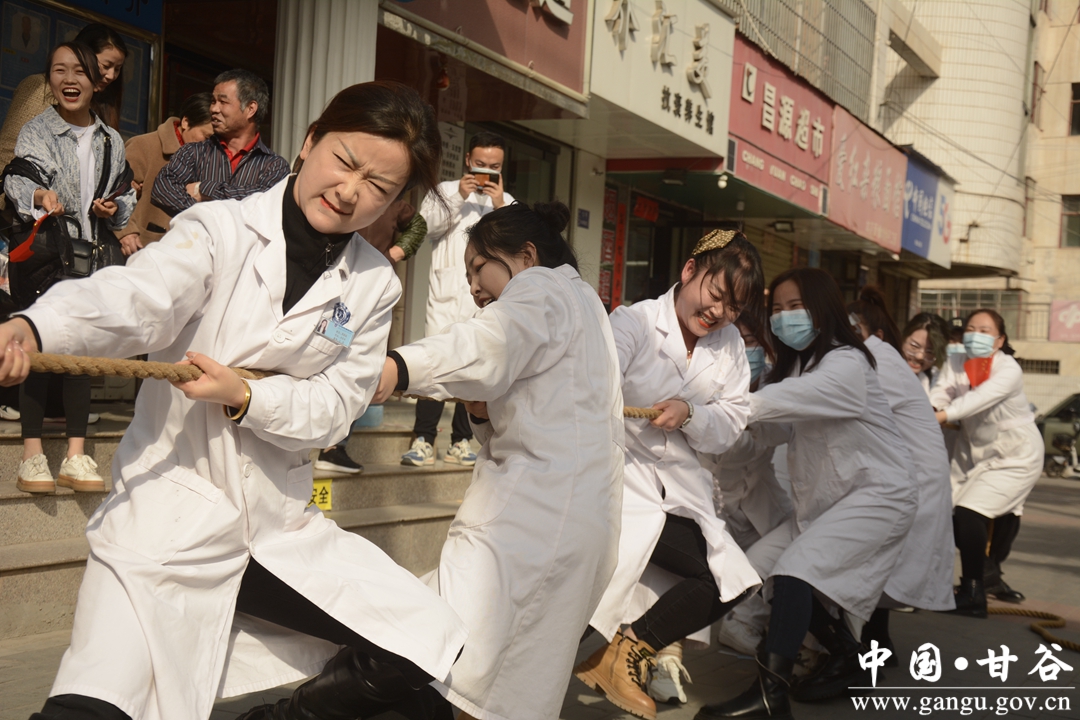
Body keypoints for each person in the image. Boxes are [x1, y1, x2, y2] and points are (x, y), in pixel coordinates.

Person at [0, 81, 469, 720]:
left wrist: (247, 395)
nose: (351, 190)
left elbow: (336, 407)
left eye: (379, 186)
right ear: (310, 142)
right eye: (345, 161)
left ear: (397, 201)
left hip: (275, 529)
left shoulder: (371, 284)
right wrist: (37, 327)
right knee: (97, 705)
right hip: (168, 517)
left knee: (422, 646)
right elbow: (137, 298)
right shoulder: (221, 230)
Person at [365, 201, 623, 720]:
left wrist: (398, 366)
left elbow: (485, 343)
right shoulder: (585, 303)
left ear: (525, 256)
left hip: (530, 523)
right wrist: (482, 414)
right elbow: (538, 411)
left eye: (477, 267)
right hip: (576, 523)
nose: (472, 286)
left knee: (433, 649)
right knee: (504, 687)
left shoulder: (541, 286)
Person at [697, 268, 917, 720]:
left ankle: (769, 696)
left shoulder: (847, 363)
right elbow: (771, 431)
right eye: (777, 309)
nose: (784, 317)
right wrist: (705, 424)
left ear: (822, 307)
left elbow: (794, 398)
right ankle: (845, 651)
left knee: (795, 569)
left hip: (876, 497)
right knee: (762, 571)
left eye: (795, 306)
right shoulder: (797, 367)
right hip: (827, 505)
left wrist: (725, 407)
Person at [576, 230, 764, 720]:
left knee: (729, 578)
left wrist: (690, 413)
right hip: (618, 479)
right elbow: (591, 387)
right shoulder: (634, 321)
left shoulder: (729, 346)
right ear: (689, 270)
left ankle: (627, 649)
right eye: (715, 294)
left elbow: (732, 421)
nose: (718, 312)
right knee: (581, 605)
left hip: (677, 488)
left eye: (733, 307)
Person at [5, 41, 135, 495]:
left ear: (95, 81)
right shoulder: (37, 129)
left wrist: (114, 207)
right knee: (37, 350)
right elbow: (18, 177)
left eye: (78, 70)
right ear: (50, 80)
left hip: (88, 258)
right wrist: (40, 196)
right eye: (58, 71)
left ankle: (76, 455)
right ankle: (32, 455)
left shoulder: (110, 139)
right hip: (46, 258)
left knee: (80, 353)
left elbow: (125, 195)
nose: (68, 79)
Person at [847, 289, 955, 662]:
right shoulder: (882, 359)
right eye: (915, 345)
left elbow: (845, 409)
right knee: (881, 563)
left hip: (913, 482)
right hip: (903, 476)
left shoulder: (878, 363)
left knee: (876, 562)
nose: (919, 355)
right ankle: (876, 643)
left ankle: (864, 648)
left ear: (876, 333)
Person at [401, 131, 513, 469]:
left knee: (474, 367)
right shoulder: (445, 191)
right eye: (480, 164)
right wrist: (459, 197)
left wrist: (500, 206)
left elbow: (514, 244)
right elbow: (426, 227)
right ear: (467, 160)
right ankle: (423, 439)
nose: (486, 172)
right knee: (435, 364)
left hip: (486, 303)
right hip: (446, 298)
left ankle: (461, 441)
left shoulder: (509, 203)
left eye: (494, 167)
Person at [930, 309, 1043, 614]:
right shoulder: (956, 359)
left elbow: (976, 400)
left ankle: (973, 592)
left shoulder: (1008, 369)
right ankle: (985, 577)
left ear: (999, 340)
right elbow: (942, 389)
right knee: (950, 514)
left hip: (1015, 454)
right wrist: (935, 406)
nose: (975, 336)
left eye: (984, 330)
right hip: (974, 450)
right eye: (971, 328)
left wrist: (942, 415)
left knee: (971, 512)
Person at [313, 197, 428, 476]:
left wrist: (395, 253)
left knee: (355, 360)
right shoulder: (341, 193)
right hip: (324, 283)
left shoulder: (394, 203)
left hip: (365, 298)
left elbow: (418, 225)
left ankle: (334, 446)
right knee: (316, 348)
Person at [151, 68, 290, 217]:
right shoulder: (193, 152)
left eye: (223, 102)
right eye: (213, 101)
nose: (214, 109)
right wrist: (206, 217)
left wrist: (203, 188)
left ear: (250, 109)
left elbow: (263, 202)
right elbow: (162, 190)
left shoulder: (275, 166)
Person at [0, 23, 126, 170]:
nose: (111, 75)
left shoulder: (105, 108)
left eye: (117, 69)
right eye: (106, 66)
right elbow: (8, 151)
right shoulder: (39, 88)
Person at [115, 92, 214, 254]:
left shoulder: (214, 161)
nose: (210, 146)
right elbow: (115, 196)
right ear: (186, 122)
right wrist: (126, 232)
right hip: (142, 250)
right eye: (207, 137)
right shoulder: (144, 146)